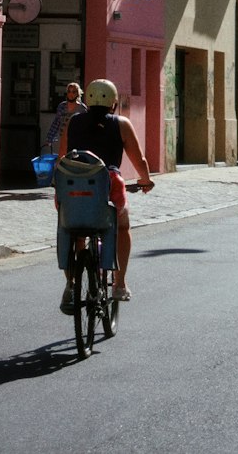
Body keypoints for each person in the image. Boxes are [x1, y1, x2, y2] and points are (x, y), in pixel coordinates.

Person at [58, 77, 153, 307]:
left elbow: (62, 156)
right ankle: (119, 284)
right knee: (122, 226)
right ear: (113, 103)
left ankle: (71, 285)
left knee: (72, 228)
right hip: (108, 185)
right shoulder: (121, 124)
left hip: (73, 187)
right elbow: (138, 159)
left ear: (87, 99)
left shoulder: (73, 122)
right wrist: (146, 180)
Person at [43, 81, 86, 154]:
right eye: (69, 91)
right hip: (62, 138)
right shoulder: (62, 106)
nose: (71, 94)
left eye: (73, 92)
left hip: (76, 139)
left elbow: (84, 126)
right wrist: (50, 138)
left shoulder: (82, 108)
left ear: (77, 93)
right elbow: (56, 123)